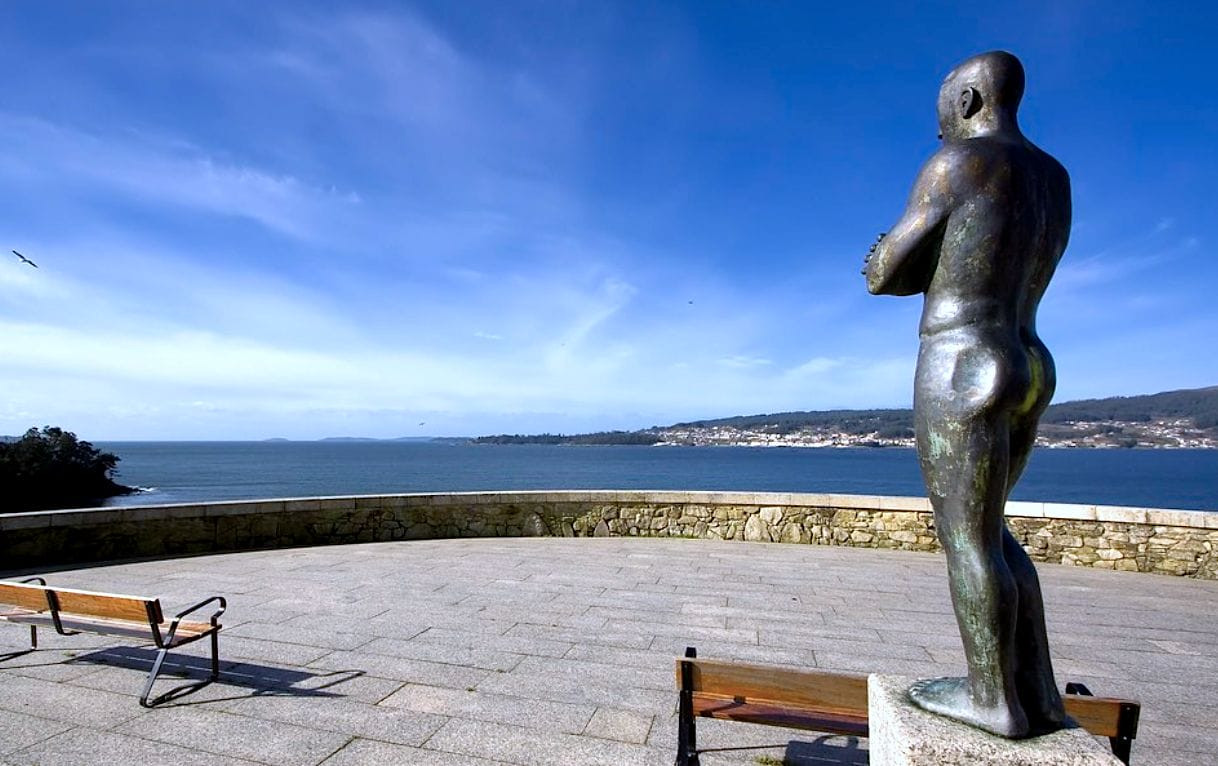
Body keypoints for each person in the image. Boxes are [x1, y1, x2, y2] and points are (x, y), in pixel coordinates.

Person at [862, 50, 1070, 738]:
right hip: (1028, 355)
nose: (940, 131)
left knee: (967, 540)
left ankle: (989, 698)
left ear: (973, 98)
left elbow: (890, 269)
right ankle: (1037, 693)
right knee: (997, 535)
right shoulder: (1054, 180)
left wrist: (880, 254)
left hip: (961, 357)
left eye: (944, 113)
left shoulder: (957, 164)